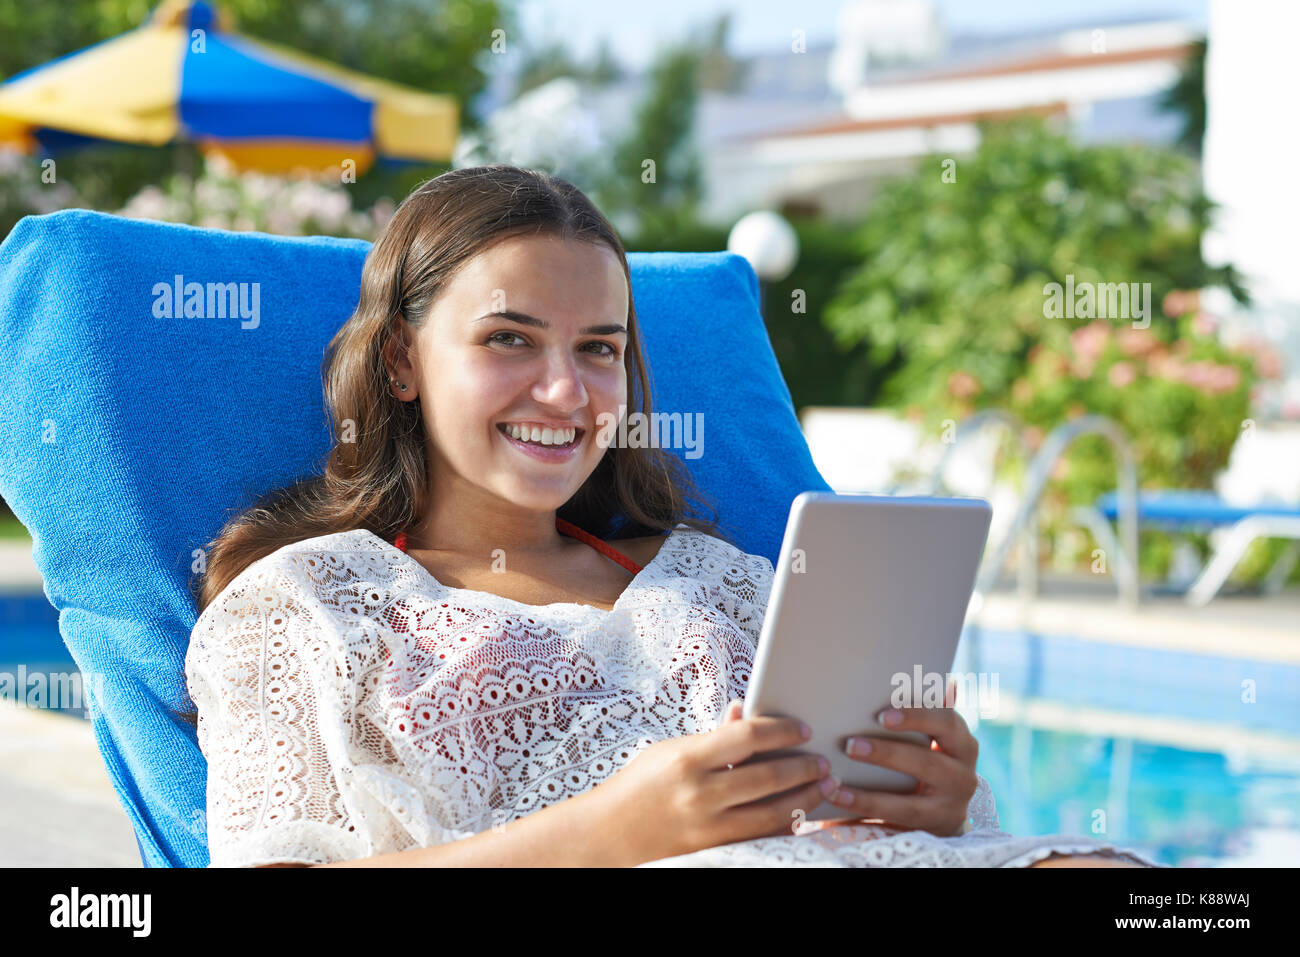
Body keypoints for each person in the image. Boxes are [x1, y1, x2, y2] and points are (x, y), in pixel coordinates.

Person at [180, 164, 1160, 868]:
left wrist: (942, 808)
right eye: (510, 339)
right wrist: (611, 834)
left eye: (599, 349)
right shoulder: (305, 607)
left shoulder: (724, 581)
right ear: (400, 361)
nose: (566, 392)